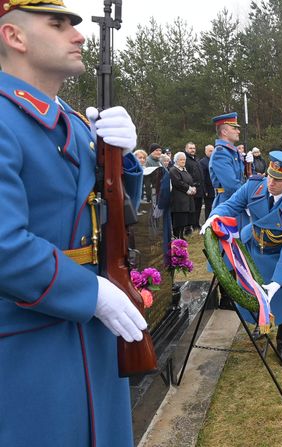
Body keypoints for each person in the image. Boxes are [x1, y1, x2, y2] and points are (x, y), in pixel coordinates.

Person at [0, 2, 147, 446]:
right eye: (58, 24)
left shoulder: (75, 122)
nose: (78, 35)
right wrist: (89, 292)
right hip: (32, 344)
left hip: (94, 335)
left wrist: (124, 162)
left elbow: (107, 211)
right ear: (15, 37)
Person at [203, 151, 282, 367]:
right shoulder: (254, 186)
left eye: (278, 180)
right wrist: (214, 216)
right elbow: (231, 205)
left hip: (278, 257)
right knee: (250, 291)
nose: (271, 182)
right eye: (270, 176)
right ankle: (261, 325)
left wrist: (278, 282)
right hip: (252, 250)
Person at [209, 112, 247, 229]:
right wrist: (249, 196)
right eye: (234, 128)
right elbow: (231, 185)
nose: (238, 131)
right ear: (224, 132)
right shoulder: (221, 153)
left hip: (237, 200)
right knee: (230, 243)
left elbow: (242, 177)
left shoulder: (231, 152)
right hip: (228, 203)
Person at [169, 152, 196, 239]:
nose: (183, 161)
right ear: (176, 161)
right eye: (181, 159)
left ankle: (181, 236)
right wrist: (189, 189)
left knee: (184, 220)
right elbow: (178, 183)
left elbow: (190, 181)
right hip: (178, 200)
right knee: (178, 220)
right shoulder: (173, 170)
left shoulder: (184, 170)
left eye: (184, 159)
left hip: (186, 200)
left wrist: (193, 187)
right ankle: (177, 237)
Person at [183, 141, 204, 232]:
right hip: (191, 189)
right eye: (190, 148)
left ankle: (196, 224)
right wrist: (191, 185)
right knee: (191, 209)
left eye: (194, 148)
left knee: (198, 208)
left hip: (199, 189)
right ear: (186, 149)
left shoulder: (196, 159)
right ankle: (189, 227)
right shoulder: (185, 160)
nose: (192, 150)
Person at [199, 144, 215, 220]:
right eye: (210, 151)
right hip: (208, 189)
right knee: (209, 208)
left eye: (213, 150)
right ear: (205, 152)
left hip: (216, 188)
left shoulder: (216, 160)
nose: (212, 152)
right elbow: (202, 177)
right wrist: (205, 190)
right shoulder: (203, 162)